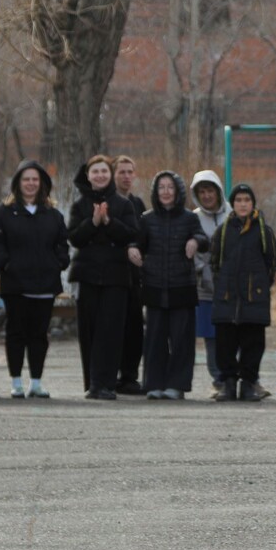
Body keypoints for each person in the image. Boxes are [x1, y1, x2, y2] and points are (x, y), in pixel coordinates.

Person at [0, 160, 69, 399]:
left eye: (35, 179)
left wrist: (58, 263)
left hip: (45, 285)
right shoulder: (4, 213)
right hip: (16, 285)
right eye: (26, 179)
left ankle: (36, 382)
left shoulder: (53, 215)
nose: (31, 184)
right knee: (16, 333)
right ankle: (16, 383)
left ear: (42, 183)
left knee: (39, 335)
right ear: (17, 183)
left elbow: (62, 244)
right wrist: (6, 264)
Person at [129, 171, 208, 400]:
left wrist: (195, 241)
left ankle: (177, 385)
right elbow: (137, 241)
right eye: (161, 187)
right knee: (155, 339)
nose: (165, 192)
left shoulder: (189, 218)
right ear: (155, 191)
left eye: (170, 187)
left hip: (182, 287)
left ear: (178, 191)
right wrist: (132, 249)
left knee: (181, 340)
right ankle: (153, 384)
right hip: (154, 286)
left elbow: (203, 239)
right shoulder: (147, 219)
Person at [68, 154, 139, 400]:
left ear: (110, 175)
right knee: (89, 331)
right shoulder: (79, 205)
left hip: (115, 277)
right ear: (88, 176)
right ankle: (93, 383)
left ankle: (107, 383)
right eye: (95, 172)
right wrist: (92, 222)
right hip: (87, 275)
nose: (100, 176)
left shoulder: (123, 204)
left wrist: (108, 222)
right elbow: (74, 238)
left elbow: (131, 234)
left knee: (111, 332)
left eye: (104, 171)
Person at [210, 184, 276, 402]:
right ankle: (228, 383)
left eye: (247, 200)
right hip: (227, 298)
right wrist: (223, 285)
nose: (243, 204)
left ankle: (249, 383)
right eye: (238, 200)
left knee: (253, 343)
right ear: (232, 204)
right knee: (225, 343)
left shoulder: (263, 230)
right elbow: (215, 262)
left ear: (253, 204)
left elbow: (271, 261)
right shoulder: (223, 231)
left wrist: (259, 286)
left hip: (254, 298)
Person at [191, 170, 230, 395]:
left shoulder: (232, 215)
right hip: (205, 288)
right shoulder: (193, 218)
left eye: (210, 191)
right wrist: (203, 272)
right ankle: (219, 379)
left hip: (231, 288)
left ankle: (237, 377)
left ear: (218, 191)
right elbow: (193, 252)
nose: (207, 196)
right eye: (202, 192)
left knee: (233, 334)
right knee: (211, 336)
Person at [114, 155, 147, 395]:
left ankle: (129, 376)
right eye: (121, 172)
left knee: (135, 328)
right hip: (112, 273)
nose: (126, 176)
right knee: (114, 327)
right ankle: (111, 374)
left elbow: (142, 235)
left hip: (134, 276)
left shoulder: (138, 204)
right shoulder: (107, 202)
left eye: (129, 172)